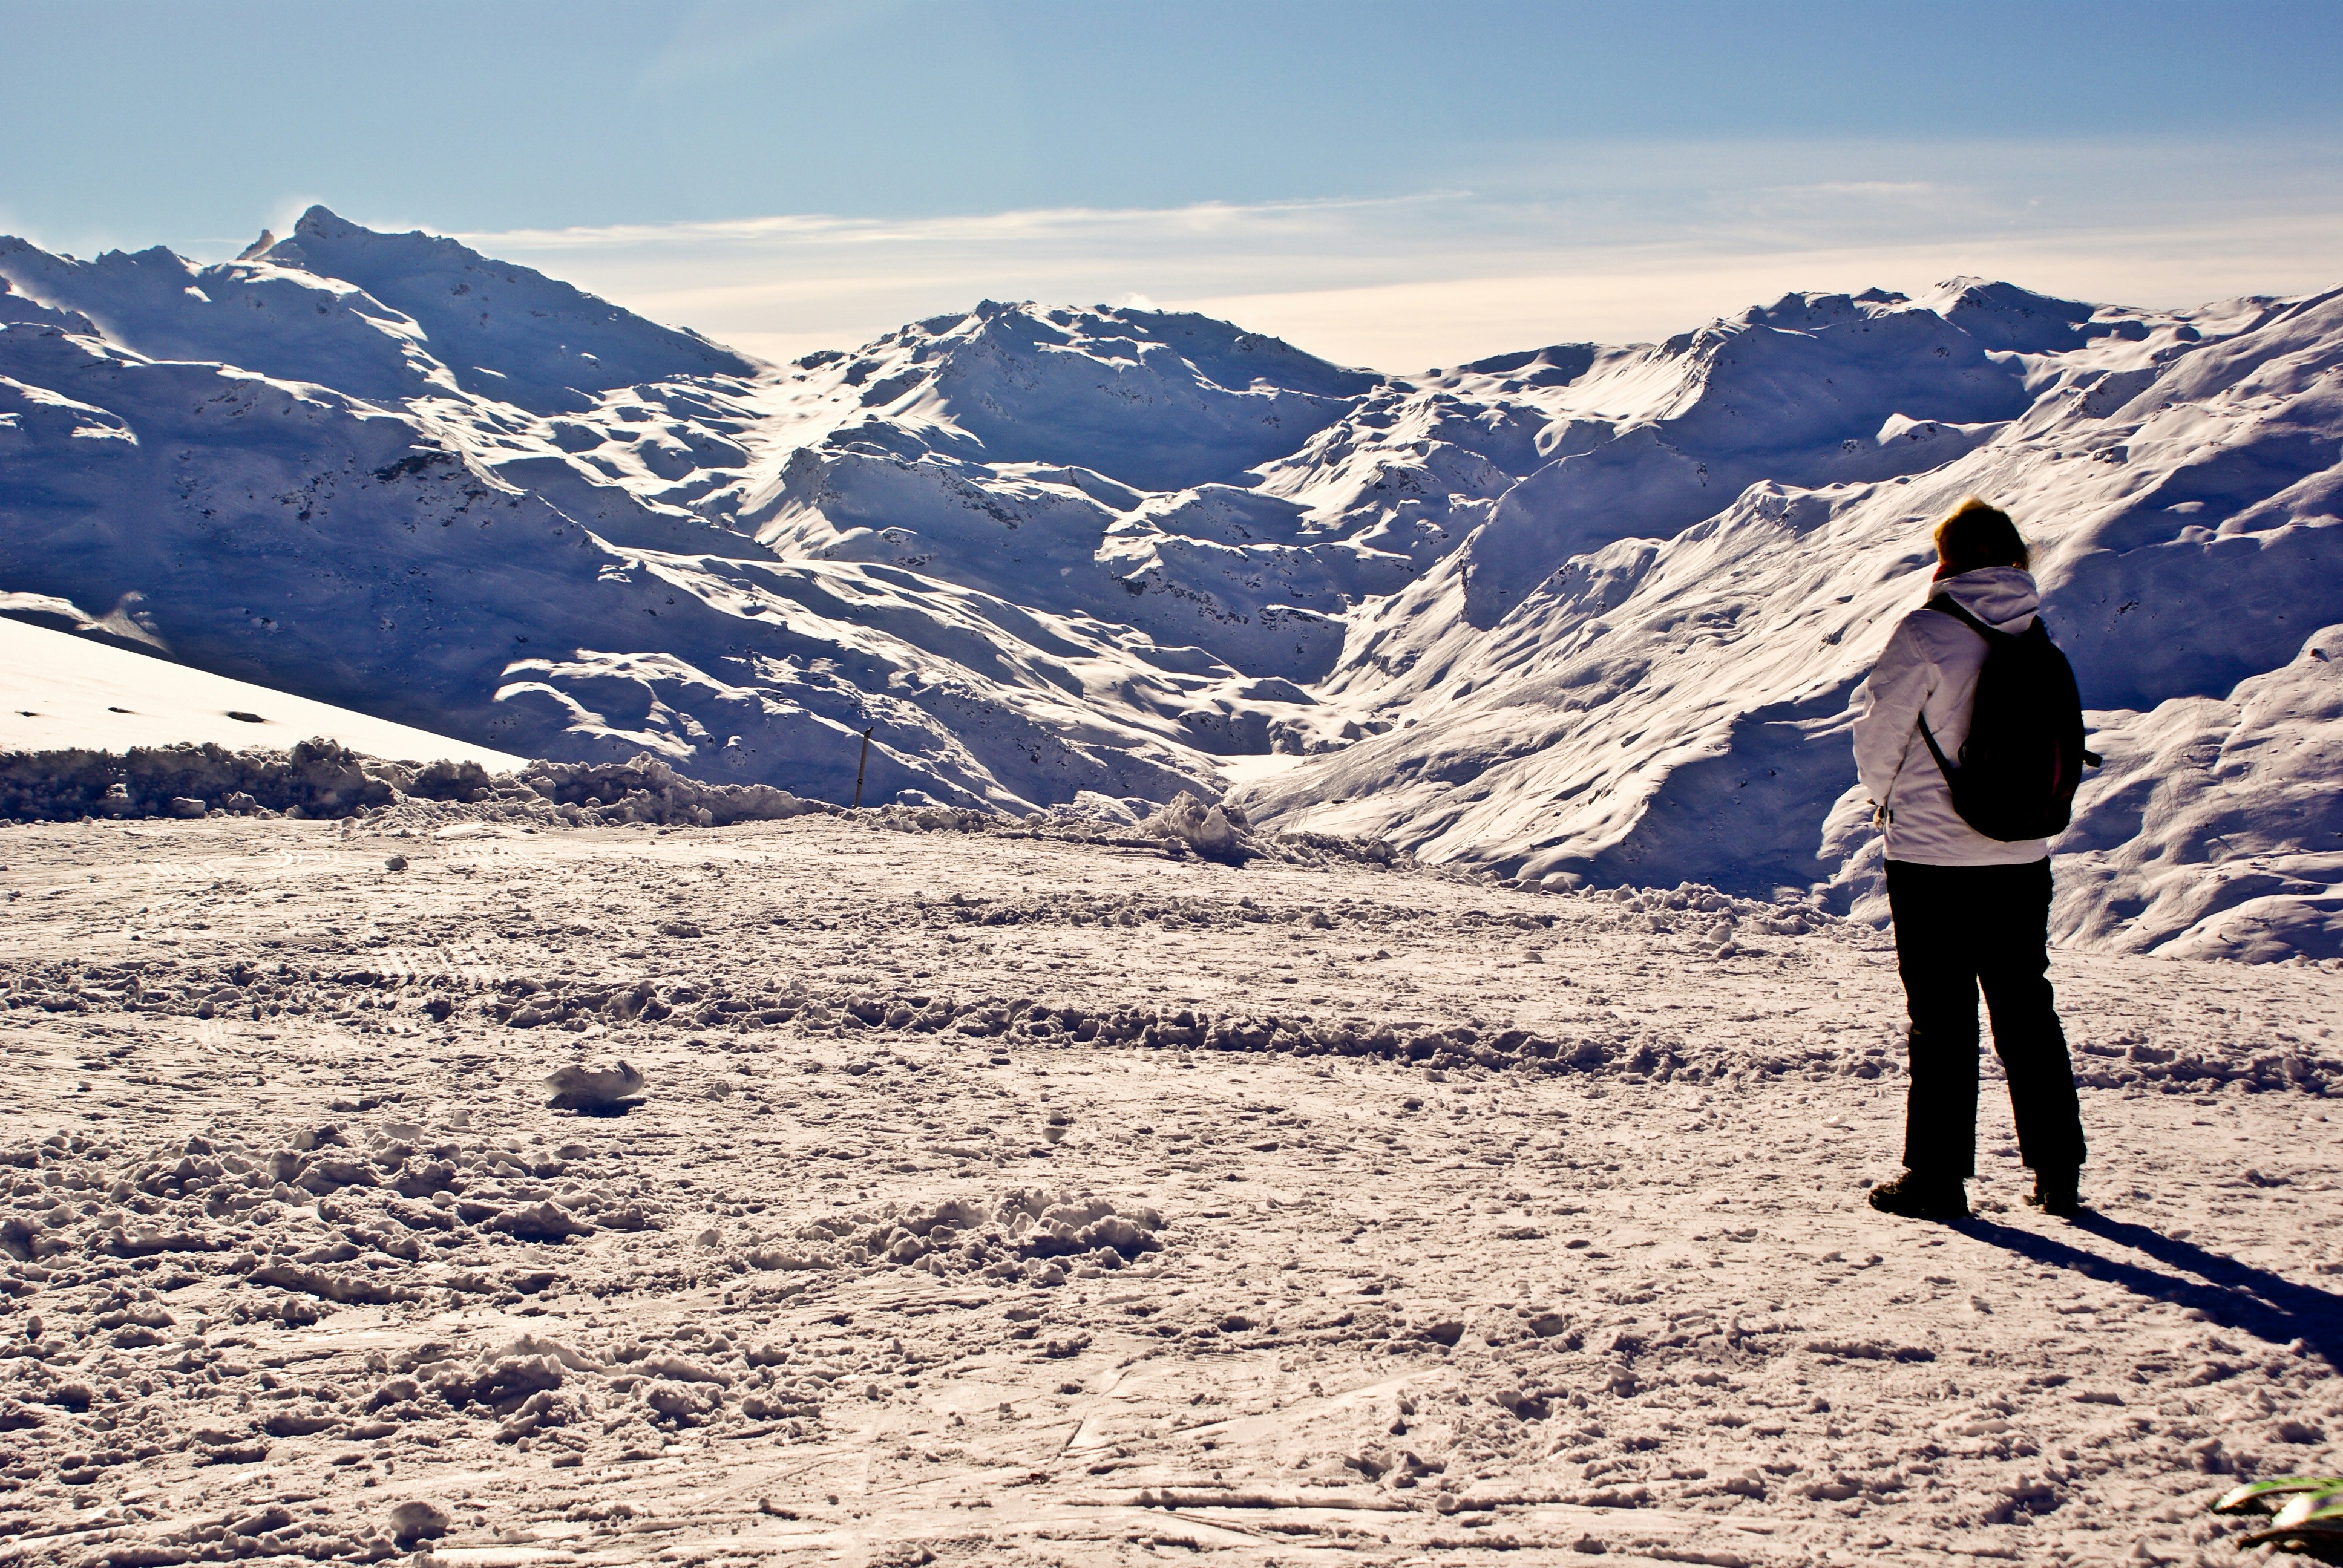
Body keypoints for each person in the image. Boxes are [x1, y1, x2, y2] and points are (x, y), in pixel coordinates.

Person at [1850, 498, 2086, 1221]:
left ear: (1945, 558)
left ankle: (1936, 1177)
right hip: (2020, 850)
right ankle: (2056, 1171)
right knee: (2024, 1005)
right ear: (2015, 557)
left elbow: (1877, 737)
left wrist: (1887, 800)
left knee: (1942, 1016)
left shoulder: (1927, 632)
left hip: (1930, 857)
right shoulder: (2033, 631)